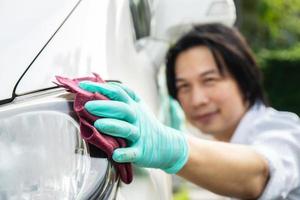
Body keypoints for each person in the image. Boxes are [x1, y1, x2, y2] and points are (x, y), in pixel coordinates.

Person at [78, 23, 300, 199]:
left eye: (209, 80)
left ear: (245, 80)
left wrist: (173, 148)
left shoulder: (286, 130)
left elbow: (260, 174)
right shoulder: (230, 142)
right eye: (184, 86)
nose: (197, 99)